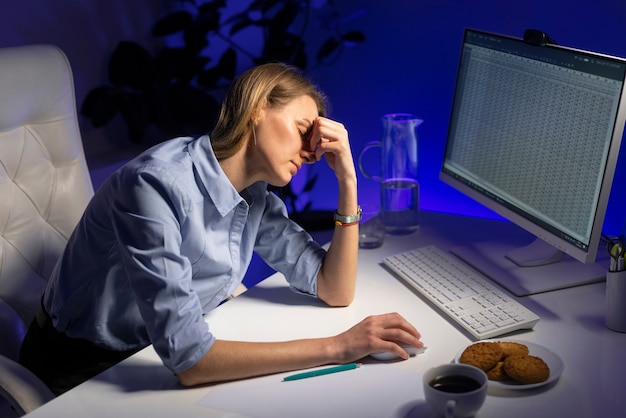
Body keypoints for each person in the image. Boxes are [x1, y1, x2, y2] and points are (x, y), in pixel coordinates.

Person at [19, 62, 423, 395]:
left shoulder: (255, 197)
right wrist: (339, 347)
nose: (310, 152)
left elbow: (334, 289)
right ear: (258, 109)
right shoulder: (154, 185)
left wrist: (348, 181)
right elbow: (191, 361)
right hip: (83, 371)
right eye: (303, 131)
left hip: (150, 357)